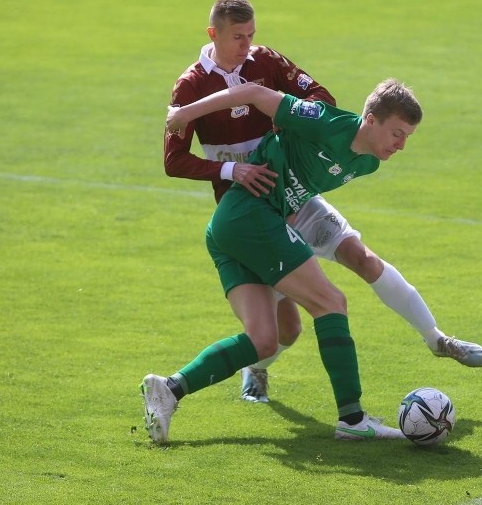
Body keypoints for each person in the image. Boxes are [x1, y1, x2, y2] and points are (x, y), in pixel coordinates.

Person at [161, 0, 482, 405]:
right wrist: (233, 169)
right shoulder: (190, 85)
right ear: (214, 34)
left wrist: (294, 126)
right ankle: (263, 374)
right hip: (252, 209)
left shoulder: (266, 62)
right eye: (237, 38)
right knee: (286, 331)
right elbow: (173, 161)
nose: (247, 46)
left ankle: (438, 339)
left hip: (297, 193)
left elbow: (319, 99)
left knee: (361, 257)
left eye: (251, 36)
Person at [141, 78, 423, 444]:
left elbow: (298, 178)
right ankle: (352, 419)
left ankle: (168, 389)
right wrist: (185, 113)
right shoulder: (324, 121)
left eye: (407, 138)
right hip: (250, 216)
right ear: (371, 120)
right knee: (331, 302)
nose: (400, 145)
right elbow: (255, 94)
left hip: (233, 226)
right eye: (397, 133)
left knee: (264, 340)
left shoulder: (368, 162)